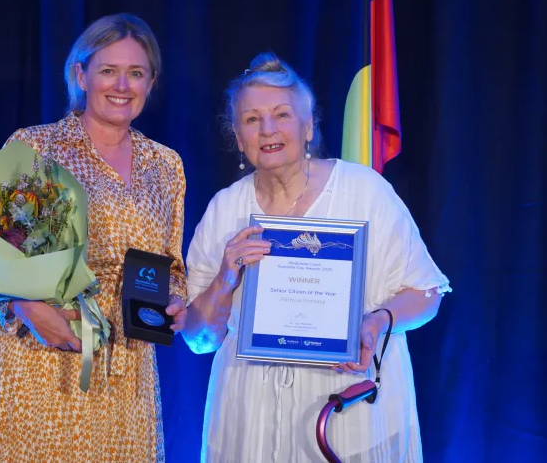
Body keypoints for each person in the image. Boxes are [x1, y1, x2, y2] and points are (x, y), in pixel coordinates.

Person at [182, 52, 451, 463]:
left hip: (348, 418)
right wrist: (224, 279)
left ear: (308, 126)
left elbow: (426, 294)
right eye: (252, 119)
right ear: (237, 136)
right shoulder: (224, 209)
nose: (268, 130)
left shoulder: (365, 192)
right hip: (250, 424)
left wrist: (378, 322)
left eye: (282, 115)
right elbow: (199, 340)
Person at [0, 13, 188, 463]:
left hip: (127, 364)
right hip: (43, 356)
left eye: (136, 73)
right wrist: (26, 307)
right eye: (108, 70)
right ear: (81, 74)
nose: (122, 85)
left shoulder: (166, 165)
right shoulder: (37, 147)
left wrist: (173, 302)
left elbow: (171, 265)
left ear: (151, 82)